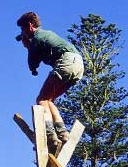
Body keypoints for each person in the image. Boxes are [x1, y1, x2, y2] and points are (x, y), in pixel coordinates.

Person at [16, 12, 84, 152]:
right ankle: (63, 133)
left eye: (23, 30)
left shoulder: (37, 37)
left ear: (29, 26)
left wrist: (28, 47)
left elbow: (33, 65)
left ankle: (50, 136)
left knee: (41, 100)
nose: (23, 33)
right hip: (78, 64)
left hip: (67, 61)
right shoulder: (46, 35)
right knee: (49, 100)